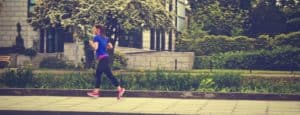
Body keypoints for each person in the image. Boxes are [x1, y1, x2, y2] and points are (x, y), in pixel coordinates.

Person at [87, 24, 125, 99]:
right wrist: (105, 47)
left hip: (103, 58)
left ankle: (96, 92)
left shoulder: (96, 37)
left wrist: (90, 43)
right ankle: (119, 89)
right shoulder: (105, 38)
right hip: (105, 58)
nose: (93, 30)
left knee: (99, 74)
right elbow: (110, 46)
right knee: (108, 75)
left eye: (94, 29)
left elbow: (95, 47)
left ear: (98, 30)